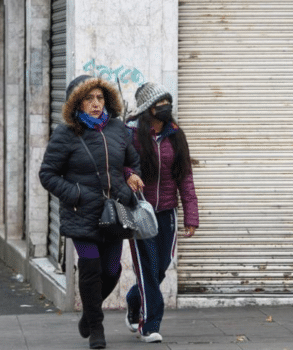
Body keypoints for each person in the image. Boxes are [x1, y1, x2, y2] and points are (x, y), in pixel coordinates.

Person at [39, 75, 143, 349]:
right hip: (82, 215)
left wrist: (131, 178)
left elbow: (132, 162)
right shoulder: (66, 134)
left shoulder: (118, 130)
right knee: (89, 268)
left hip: (114, 212)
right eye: (89, 99)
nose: (96, 104)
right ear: (77, 103)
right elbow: (47, 174)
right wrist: (77, 194)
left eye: (99, 98)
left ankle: (88, 313)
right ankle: (96, 328)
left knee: (111, 271)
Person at [122, 82, 199, 343]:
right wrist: (129, 174)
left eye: (168, 102)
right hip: (140, 213)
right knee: (149, 269)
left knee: (160, 267)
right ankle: (150, 325)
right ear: (147, 109)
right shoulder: (130, 134)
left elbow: (185, 178)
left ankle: (134, 299)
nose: (166, 107)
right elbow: (118, 164)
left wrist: (191, 215)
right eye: (160, 103)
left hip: (167, 213)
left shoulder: (176, 135)